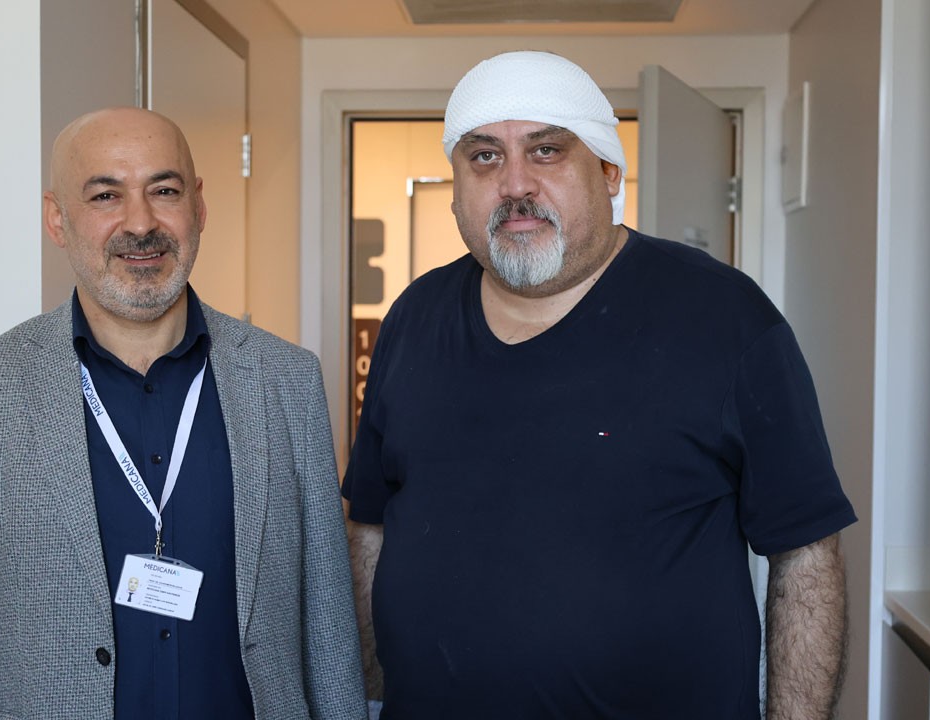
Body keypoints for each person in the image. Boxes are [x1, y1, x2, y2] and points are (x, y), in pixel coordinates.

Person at [343, 52, 856, 719]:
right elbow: (370, 525)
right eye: (485, 157)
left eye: (547, 151)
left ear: (610, 172)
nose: (515, 184)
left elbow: (806, 552)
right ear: (457, 186)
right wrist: (370, 697)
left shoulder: (724, 318)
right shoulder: (414, 317)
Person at [0, 107, 366, 719]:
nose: (141, 223)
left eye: (164, 191)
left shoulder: (287, 380)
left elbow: (328, 626)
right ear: (57, 219)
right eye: (106, 195)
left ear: (199, 206)